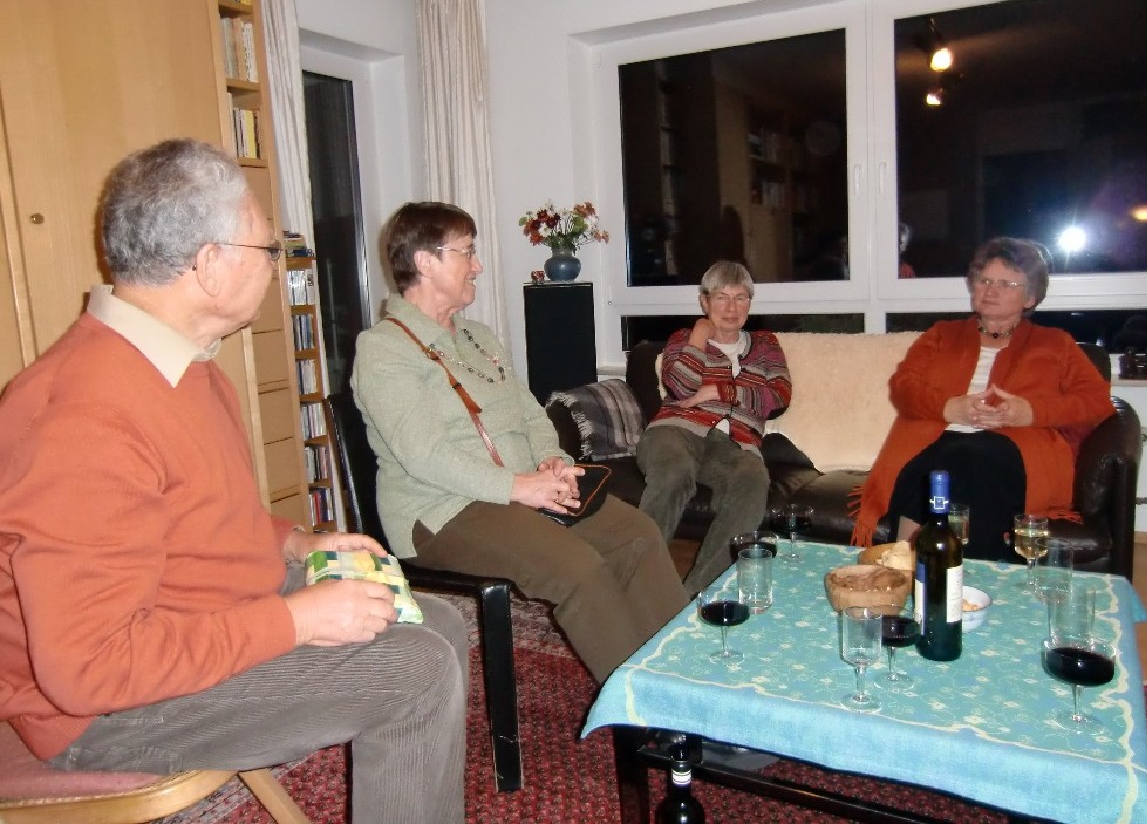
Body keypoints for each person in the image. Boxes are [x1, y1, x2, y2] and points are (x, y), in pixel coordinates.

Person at [0, 140, 467, 824]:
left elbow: (191, 515)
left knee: (434, 619)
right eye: (267, 249)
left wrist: (294, 543)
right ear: (209, 264)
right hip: (103, 712)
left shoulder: (183, 365)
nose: (275, 265)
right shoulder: (82, 418)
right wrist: (297, 620)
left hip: (190, 615)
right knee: (414, 671)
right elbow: (89, 669)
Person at [351, 201, 688, 682]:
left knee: (636, 534)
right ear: (425, 261)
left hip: (519, 488)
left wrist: (552, 460)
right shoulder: (384, 350)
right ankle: (640, 702)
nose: (478, 266)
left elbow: (530, 413)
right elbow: (425, 456)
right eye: (467, 252)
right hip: (442, 511)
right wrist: (520, 487)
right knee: (579, 570)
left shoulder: (479, 337)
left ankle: (683, 671)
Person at [850, 237, 1114, 560]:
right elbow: (903, 387)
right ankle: (933, 569)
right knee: (943, 461)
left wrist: (1029, 412)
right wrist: (948, 408)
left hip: (1016, 452)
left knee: (965, 459)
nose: (990, 290)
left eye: (1006, 283)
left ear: (1030, 297)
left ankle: (906, 561)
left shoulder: (1055, 344)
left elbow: (1096, 401)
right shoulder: (942, 334)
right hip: (937, 442)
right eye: (984, 280)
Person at [635, 261, 792, 593]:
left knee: (752, 480)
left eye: (740, 297)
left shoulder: (766, 345)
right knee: (673, 474)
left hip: (735, 443)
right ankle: (635, 584)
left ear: (750, 303)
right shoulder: (683, 339)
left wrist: (719, 392)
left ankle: (699, 595)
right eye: (721, 297)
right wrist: (699, 336)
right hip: (676, 430)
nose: (731, 308)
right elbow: (680, 385)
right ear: (704, 302)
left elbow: (779, 396)